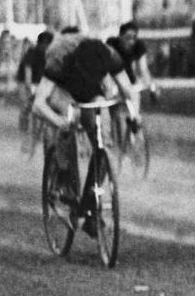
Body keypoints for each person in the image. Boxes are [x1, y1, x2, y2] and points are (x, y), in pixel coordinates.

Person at [31, 31, 141, 238]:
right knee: (70, 116)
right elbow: (38, 105)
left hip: (91, 85)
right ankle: (63, 185)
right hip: (63, 86)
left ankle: (90, 209)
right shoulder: (59, 59)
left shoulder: (109, 55)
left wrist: (135, 114)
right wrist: (59, 123)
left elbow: (129, 89)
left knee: (104, 139)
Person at [15, 30, 54, 141]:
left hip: (38, 82)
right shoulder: (31, 53)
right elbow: (28, 73)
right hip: (24, 81)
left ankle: (38, 132)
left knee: (40, 107)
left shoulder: (49, 55)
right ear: (40, 44)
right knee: (26, 105)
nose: (46, 47)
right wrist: (30, 90)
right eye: (45, 45)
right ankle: (23, 130)